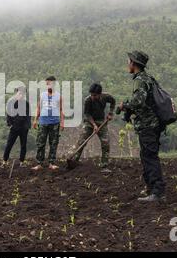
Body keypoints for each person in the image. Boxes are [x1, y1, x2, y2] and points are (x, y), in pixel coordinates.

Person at [119, 51, 166, 202]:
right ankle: (152, 189)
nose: (128, 64)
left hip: (148, 125)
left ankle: (157, 193)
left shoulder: (140, 80)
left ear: (133, 63)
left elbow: (138, 101)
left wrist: (124, 105)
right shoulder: (148, 78)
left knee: (149, 157)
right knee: (147, 156)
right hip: (153, 124)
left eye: (129, 61)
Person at [71, 83, 115, 172]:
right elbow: (87, 114)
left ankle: (104, 165)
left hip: (101, 121)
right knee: (82, 141)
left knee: (105, 142)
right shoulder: (88, 100)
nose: (92, 97)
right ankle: (74, 161)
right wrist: (94, 125)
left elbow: (113, 101)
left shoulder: (106, 97)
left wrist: (110, 113)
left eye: (94, 95)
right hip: (89, 122)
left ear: (99, 94)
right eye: (91, 94)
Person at [32, 76, 65, 171]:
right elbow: (38, 108)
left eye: (49, 83)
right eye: (46, 84)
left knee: (53, 143)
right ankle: (39, 163)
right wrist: (35, 120)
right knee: (41, 143)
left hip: (55, 122)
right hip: (43, 122)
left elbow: (61, 109)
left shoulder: (59, 96)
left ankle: (51, 163)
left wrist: (62, 122)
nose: (47, 85)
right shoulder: (42, 95)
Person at [3, 87, 31, 167]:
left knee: (23, 145)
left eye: (22, 94)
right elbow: (8, 114)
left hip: (23, 128)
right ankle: (5, 161)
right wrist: (10, 124)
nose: (21, 95)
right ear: (16, 93)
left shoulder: (26, 103)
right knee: (9, 144)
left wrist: (27, 126)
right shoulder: (11, 102)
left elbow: (28, 115)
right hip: (14, 127)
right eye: (19, 93)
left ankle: (22, 162)